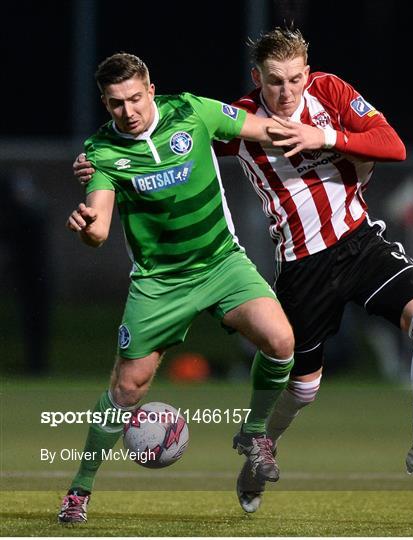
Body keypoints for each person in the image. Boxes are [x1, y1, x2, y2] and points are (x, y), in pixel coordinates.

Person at [73, 29, 413, 513]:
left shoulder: (329, 92)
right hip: (302, 266)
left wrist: (323, 135)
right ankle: (260, 447)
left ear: (308, 71)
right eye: (276, 82)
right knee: (303, 387)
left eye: (296, 79)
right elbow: (171, 143)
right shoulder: (237, 117)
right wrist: (100, 163)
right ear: (257, 77)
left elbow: (392, 144)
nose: (288, 93)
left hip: (360, 240)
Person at [59, 51, 324, 524]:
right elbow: (98, 229)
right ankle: (79, 491)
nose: (129, 111)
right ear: (105, 103)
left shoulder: (192, 111)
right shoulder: (102, 152)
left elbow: (260, 129)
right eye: (117, 103)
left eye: (136, 98)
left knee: (282, 341)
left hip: (221, 263)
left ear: (151, 90)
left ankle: (255, 433)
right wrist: (85, 225)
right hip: (159, 284)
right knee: (126, 390)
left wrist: (321, 136)